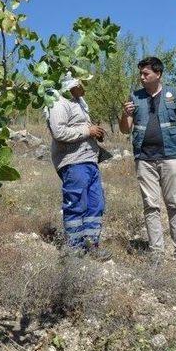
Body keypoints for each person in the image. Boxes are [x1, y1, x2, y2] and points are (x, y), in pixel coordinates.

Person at [119, 57, 176, 262]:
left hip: (170, 158)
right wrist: (125, 114)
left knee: (174, 204)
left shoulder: (174, 94)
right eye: (140, 74)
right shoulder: (135, 97)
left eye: (146, 74)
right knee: (151, 206)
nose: (142, 78)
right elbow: (125, 129)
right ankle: (157, 252)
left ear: (158, 74)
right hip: (144, 159)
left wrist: (175, 141)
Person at [45, 72, 112, 261]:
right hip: (73, 161)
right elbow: (58, 131)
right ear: (70, 84)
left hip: (89, 160)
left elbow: (82, 129)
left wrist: (94, 133)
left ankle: (92, 244)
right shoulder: (59, 102)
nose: (83, 86)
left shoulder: (80, 103)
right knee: (76, 203)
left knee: (96, 204)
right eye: (80, 82)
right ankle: (74, 248)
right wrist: (87, 130)